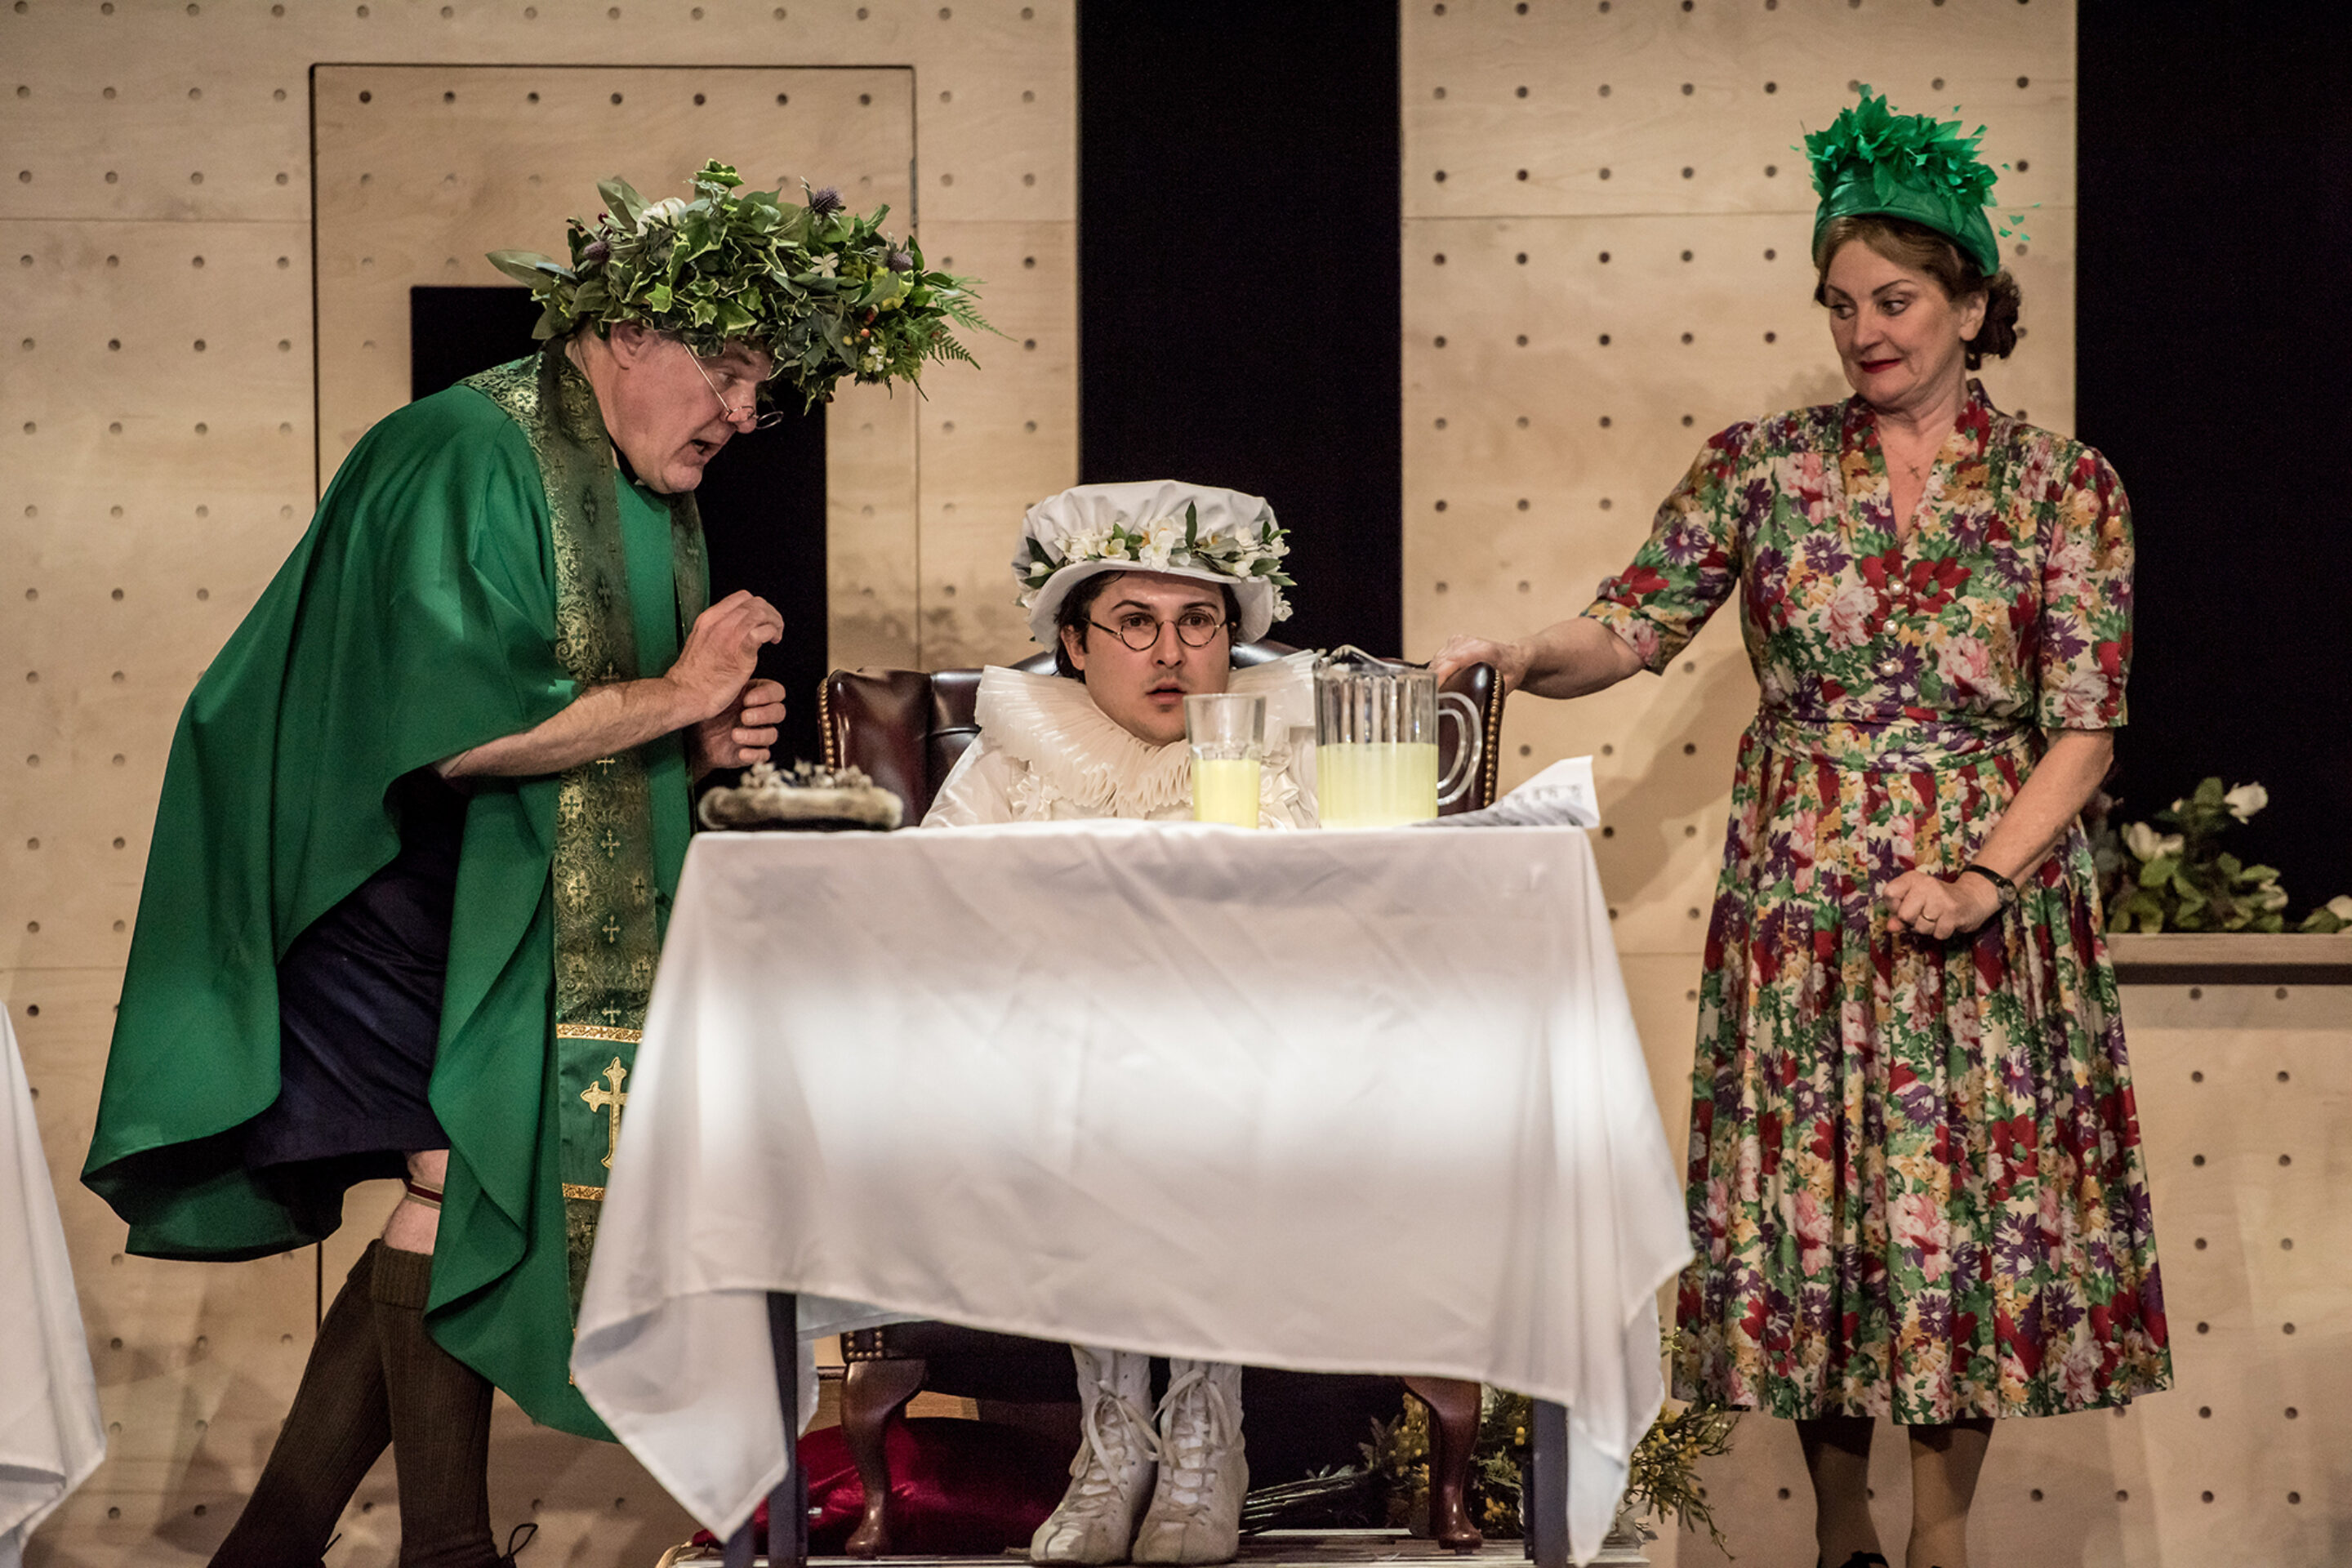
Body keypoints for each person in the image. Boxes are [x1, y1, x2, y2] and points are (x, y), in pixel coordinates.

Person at [81, 161, 982, 1566]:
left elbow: (593, 727)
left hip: (486, 870)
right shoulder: (459, 446)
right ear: (630, 334)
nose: (748, 415)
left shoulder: (629, 476)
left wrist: (693, 742)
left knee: (451, 1190)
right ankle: (438, 1549)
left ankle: (275, 1545)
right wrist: (681, 698)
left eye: (765, 390)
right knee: (460, 1179)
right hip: (365, 862)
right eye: (731, 373)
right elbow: (459, 733)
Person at [1431, 91, 2170, 1568]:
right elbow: (1631, 628)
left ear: (1971, 299)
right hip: (1804, 902)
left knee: (1961, 1224)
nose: (1864, 330)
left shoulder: (2065, 488)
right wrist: (1522, 655)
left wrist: (1980, 874)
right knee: (1813, 1220)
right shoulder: (1761, 466)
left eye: (1894, 299)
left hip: (1983, 892)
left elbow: (2085, 725)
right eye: (1840, 305)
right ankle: (1841, 1538)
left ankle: (1942, 1537)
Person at [924, 481, 1307, 1564]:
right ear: (1076, 645)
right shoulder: (1009, 762)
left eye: (1199, 623)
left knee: (1185, 1091)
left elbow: (1353, 932)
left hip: (1258, 1077)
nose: (1172, 653)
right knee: (1095, 1089)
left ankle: (1202, 1429)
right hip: (1056, 1082)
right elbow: (936, 934)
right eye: (1136, 624)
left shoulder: (1283, 752)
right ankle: (1115, 1439)